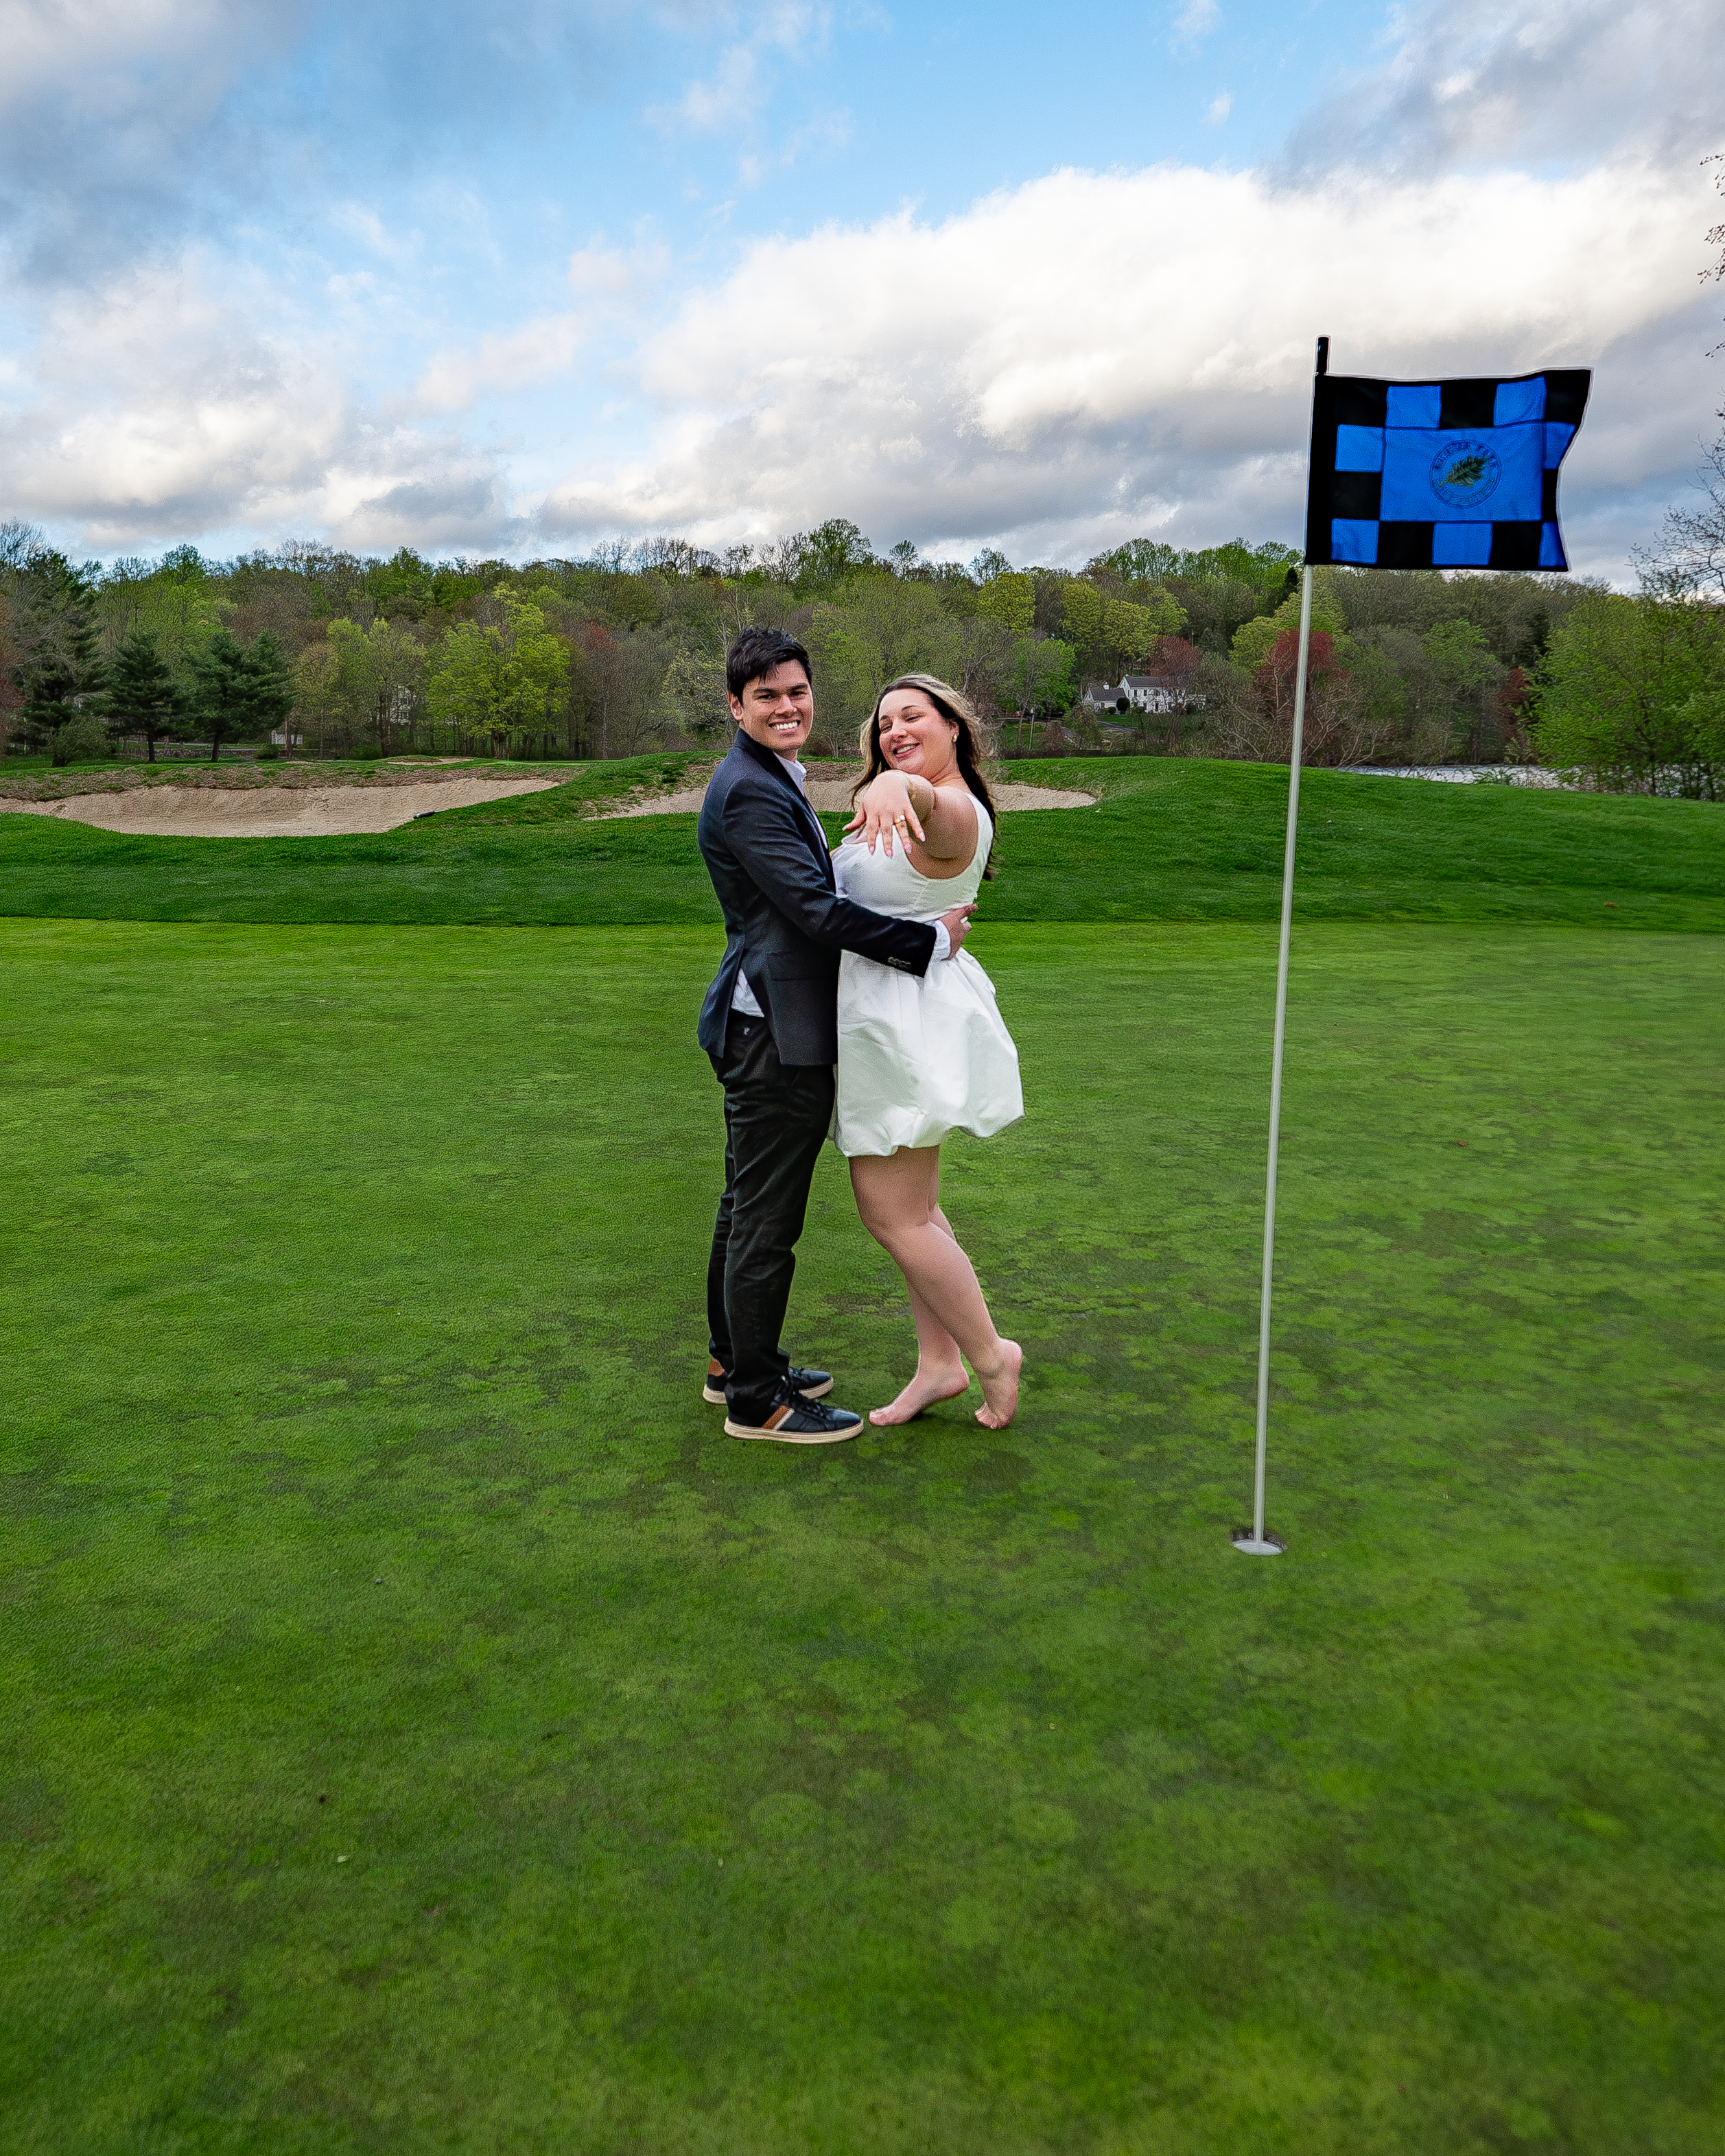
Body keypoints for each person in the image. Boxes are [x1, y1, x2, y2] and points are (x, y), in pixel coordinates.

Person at [696, 630, 978, 1445]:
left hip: (768, 1020)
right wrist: (929, 942)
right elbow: (816, 913)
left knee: (743, 1205)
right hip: (772, 1032)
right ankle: (757, 1399)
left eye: (796, 692)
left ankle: (733, 1362)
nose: (786, 708)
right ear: (735, 705)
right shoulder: (749, 788)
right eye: (766, 697)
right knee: (764, 1219)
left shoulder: (768, 775)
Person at [833, 674, 1024, 1430]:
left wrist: (900, 785)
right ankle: (938, 1363)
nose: (894, 730)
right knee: (917, 1207)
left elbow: (932, 810)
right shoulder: (901, 791)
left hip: (904, 1027)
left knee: (891, 1212)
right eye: (883, 724)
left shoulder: (953, 809)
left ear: (955, 727)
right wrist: (889, 785)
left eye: (912, 716)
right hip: (886, 1016)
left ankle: (989, 1354)